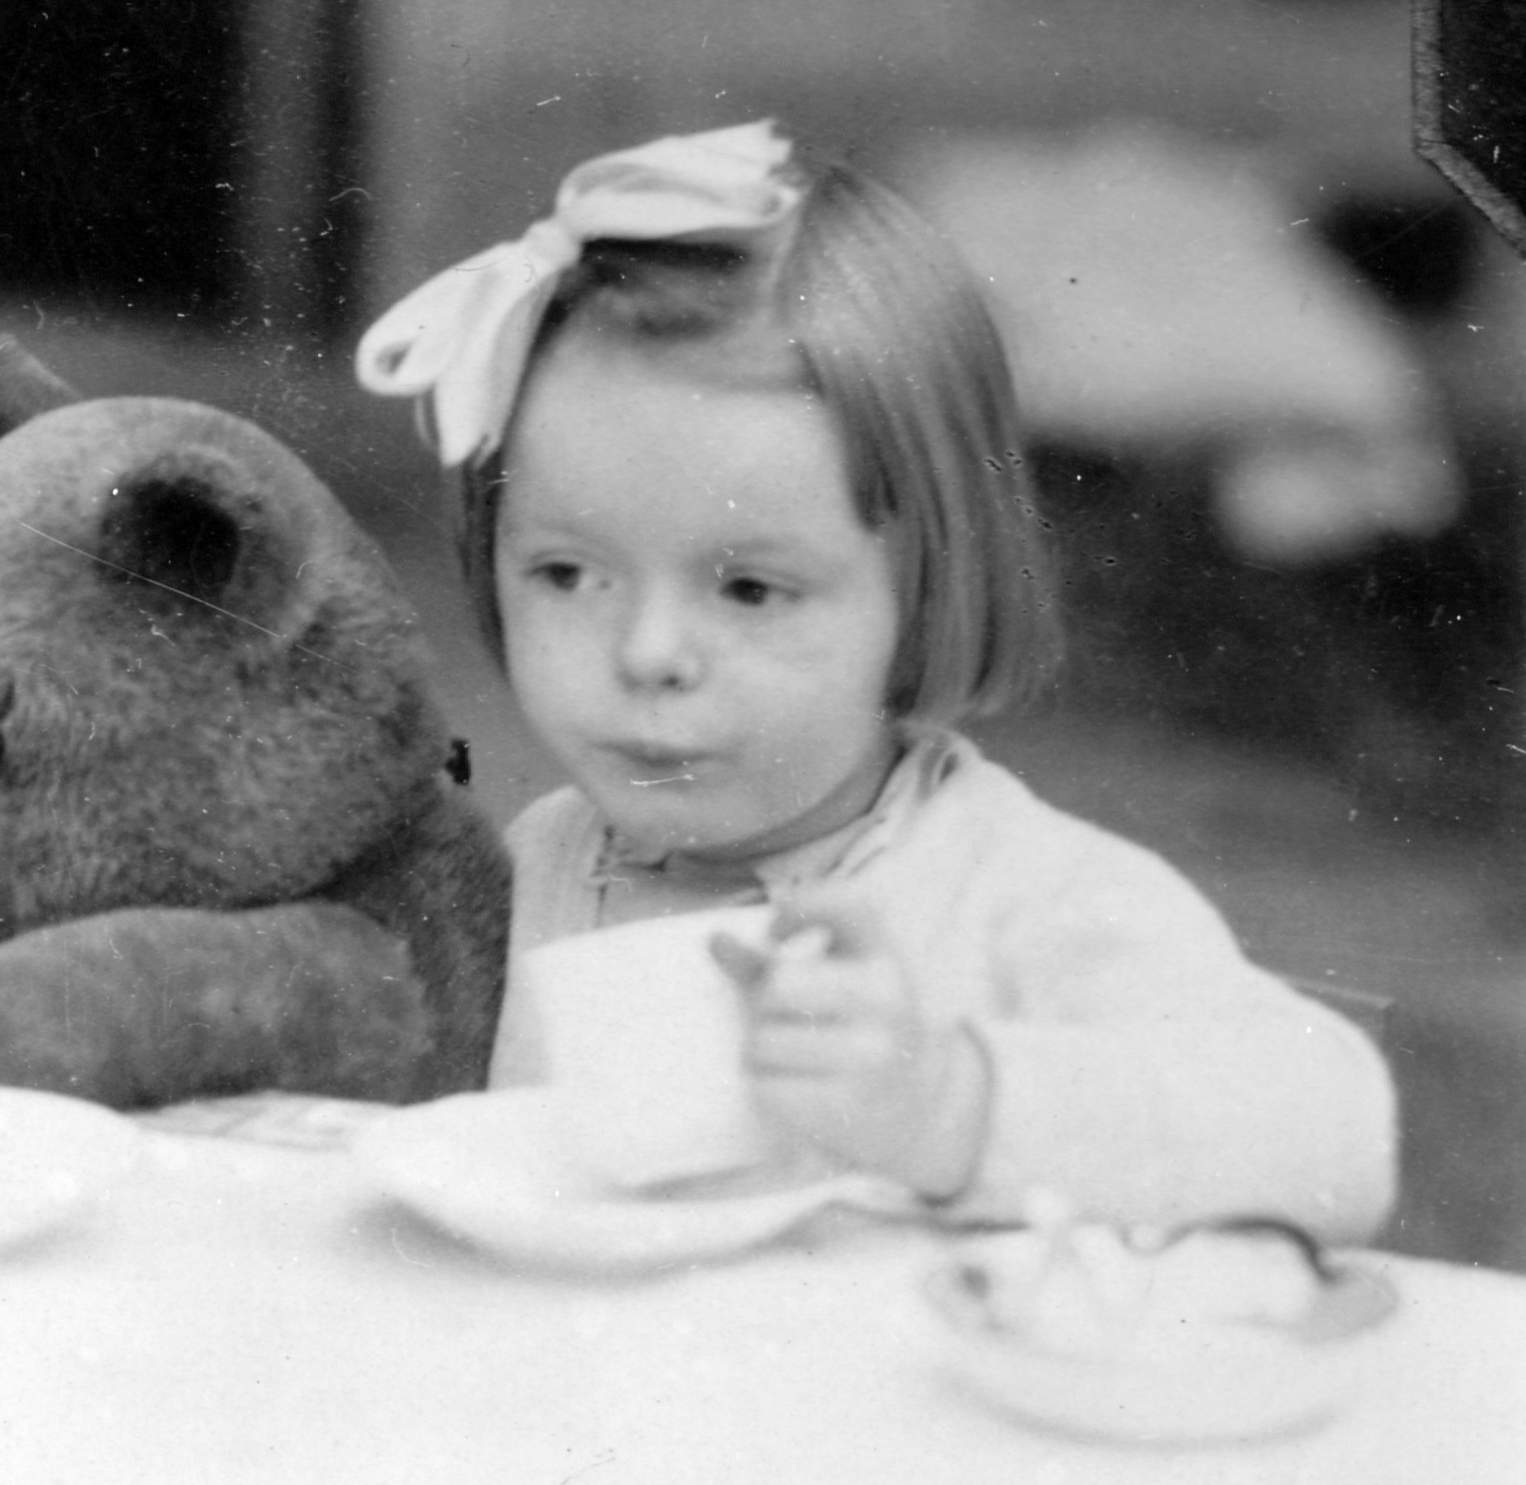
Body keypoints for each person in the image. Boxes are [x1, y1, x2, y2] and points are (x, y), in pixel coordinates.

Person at [358, 117, 1397, 1239]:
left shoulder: (1019, 893)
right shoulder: (546, 861)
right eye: (568, 573)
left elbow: (1337, 1137)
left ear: (928, 587)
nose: (647, 653)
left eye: (750, 588)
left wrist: (952, 1099)